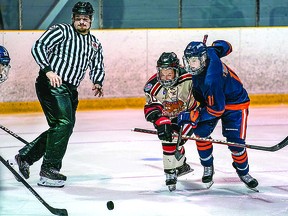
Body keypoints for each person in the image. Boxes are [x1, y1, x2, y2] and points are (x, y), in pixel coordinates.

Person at [14, 1, 105, 188]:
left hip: (71, 90)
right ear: (73, 19)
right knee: (64, 123)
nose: (81, 22)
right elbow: (38, 47)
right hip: (52, 83)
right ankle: (49, 170)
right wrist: (48, 70)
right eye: (78, 18)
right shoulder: (62, 30)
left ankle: (25, 157)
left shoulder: (94, 43)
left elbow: (97, 64)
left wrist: (97, 81)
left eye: (85, 19)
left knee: (63, 128)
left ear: (91, 20)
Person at [178, 39, 258, 190]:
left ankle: (243, 171)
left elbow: (217, 110)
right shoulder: (210, 52)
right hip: (212, 100)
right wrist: (215, 46)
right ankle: (208, 167)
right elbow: (228, 46)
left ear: (203, 59)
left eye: (195, 61)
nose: (191, 65)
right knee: (200, 133)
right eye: (189, 61)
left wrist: (193, 116)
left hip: (235, 103)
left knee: (235, 143)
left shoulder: (211, 80)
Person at [143, 52, 197, 191]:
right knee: (168, 137)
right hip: (168, 117)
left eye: (169, 74)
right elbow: (152, 107)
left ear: (176, 70)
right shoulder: (152, 86)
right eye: (162, 74)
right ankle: (171, 172)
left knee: (177, 139)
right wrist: (162, 123)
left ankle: (179, 162)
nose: (165, 78)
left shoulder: (190, 78)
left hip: (189, 115)